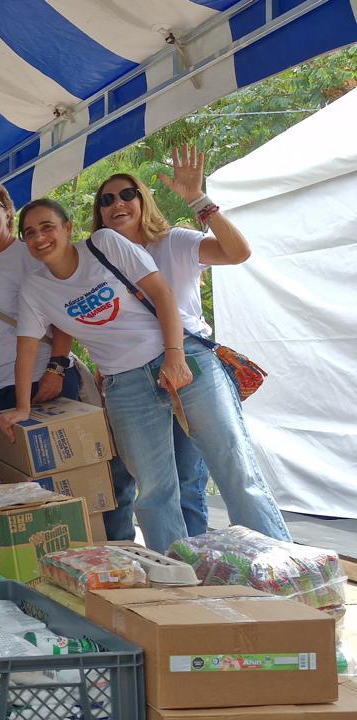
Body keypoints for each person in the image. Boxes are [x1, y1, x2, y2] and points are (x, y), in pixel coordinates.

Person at [0, 199, 290, 552]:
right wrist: (23, 408)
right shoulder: (36, 287)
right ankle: (179, 578)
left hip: (183, 359)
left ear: (67, 228)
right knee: (153, 491)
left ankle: (283, 567)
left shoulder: (104, 243)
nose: (40, 237)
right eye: (30, 233)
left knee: (233, 465)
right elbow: (25, 349)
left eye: (47, 227)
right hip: (125, 384)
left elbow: (162, 293)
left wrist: (174, 356)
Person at [91, 146, 262, 540]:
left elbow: (239, 253)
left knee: (202, 475)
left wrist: (199, 200)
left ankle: (229, 564)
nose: (117, 203)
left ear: (143, 201)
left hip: (188, 366)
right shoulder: (96, 261)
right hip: (132, 378)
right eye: (106, 200)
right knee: (153, 488)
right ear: (99, 213)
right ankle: (180, 574)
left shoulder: (175, 242)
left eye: (127, 195)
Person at [0, 180, 81, 435]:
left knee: (63, 471)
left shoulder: (31, 254)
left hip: (40, 380)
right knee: (15, 473)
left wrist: (56, 369)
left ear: (7, 212)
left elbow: (62, 310)